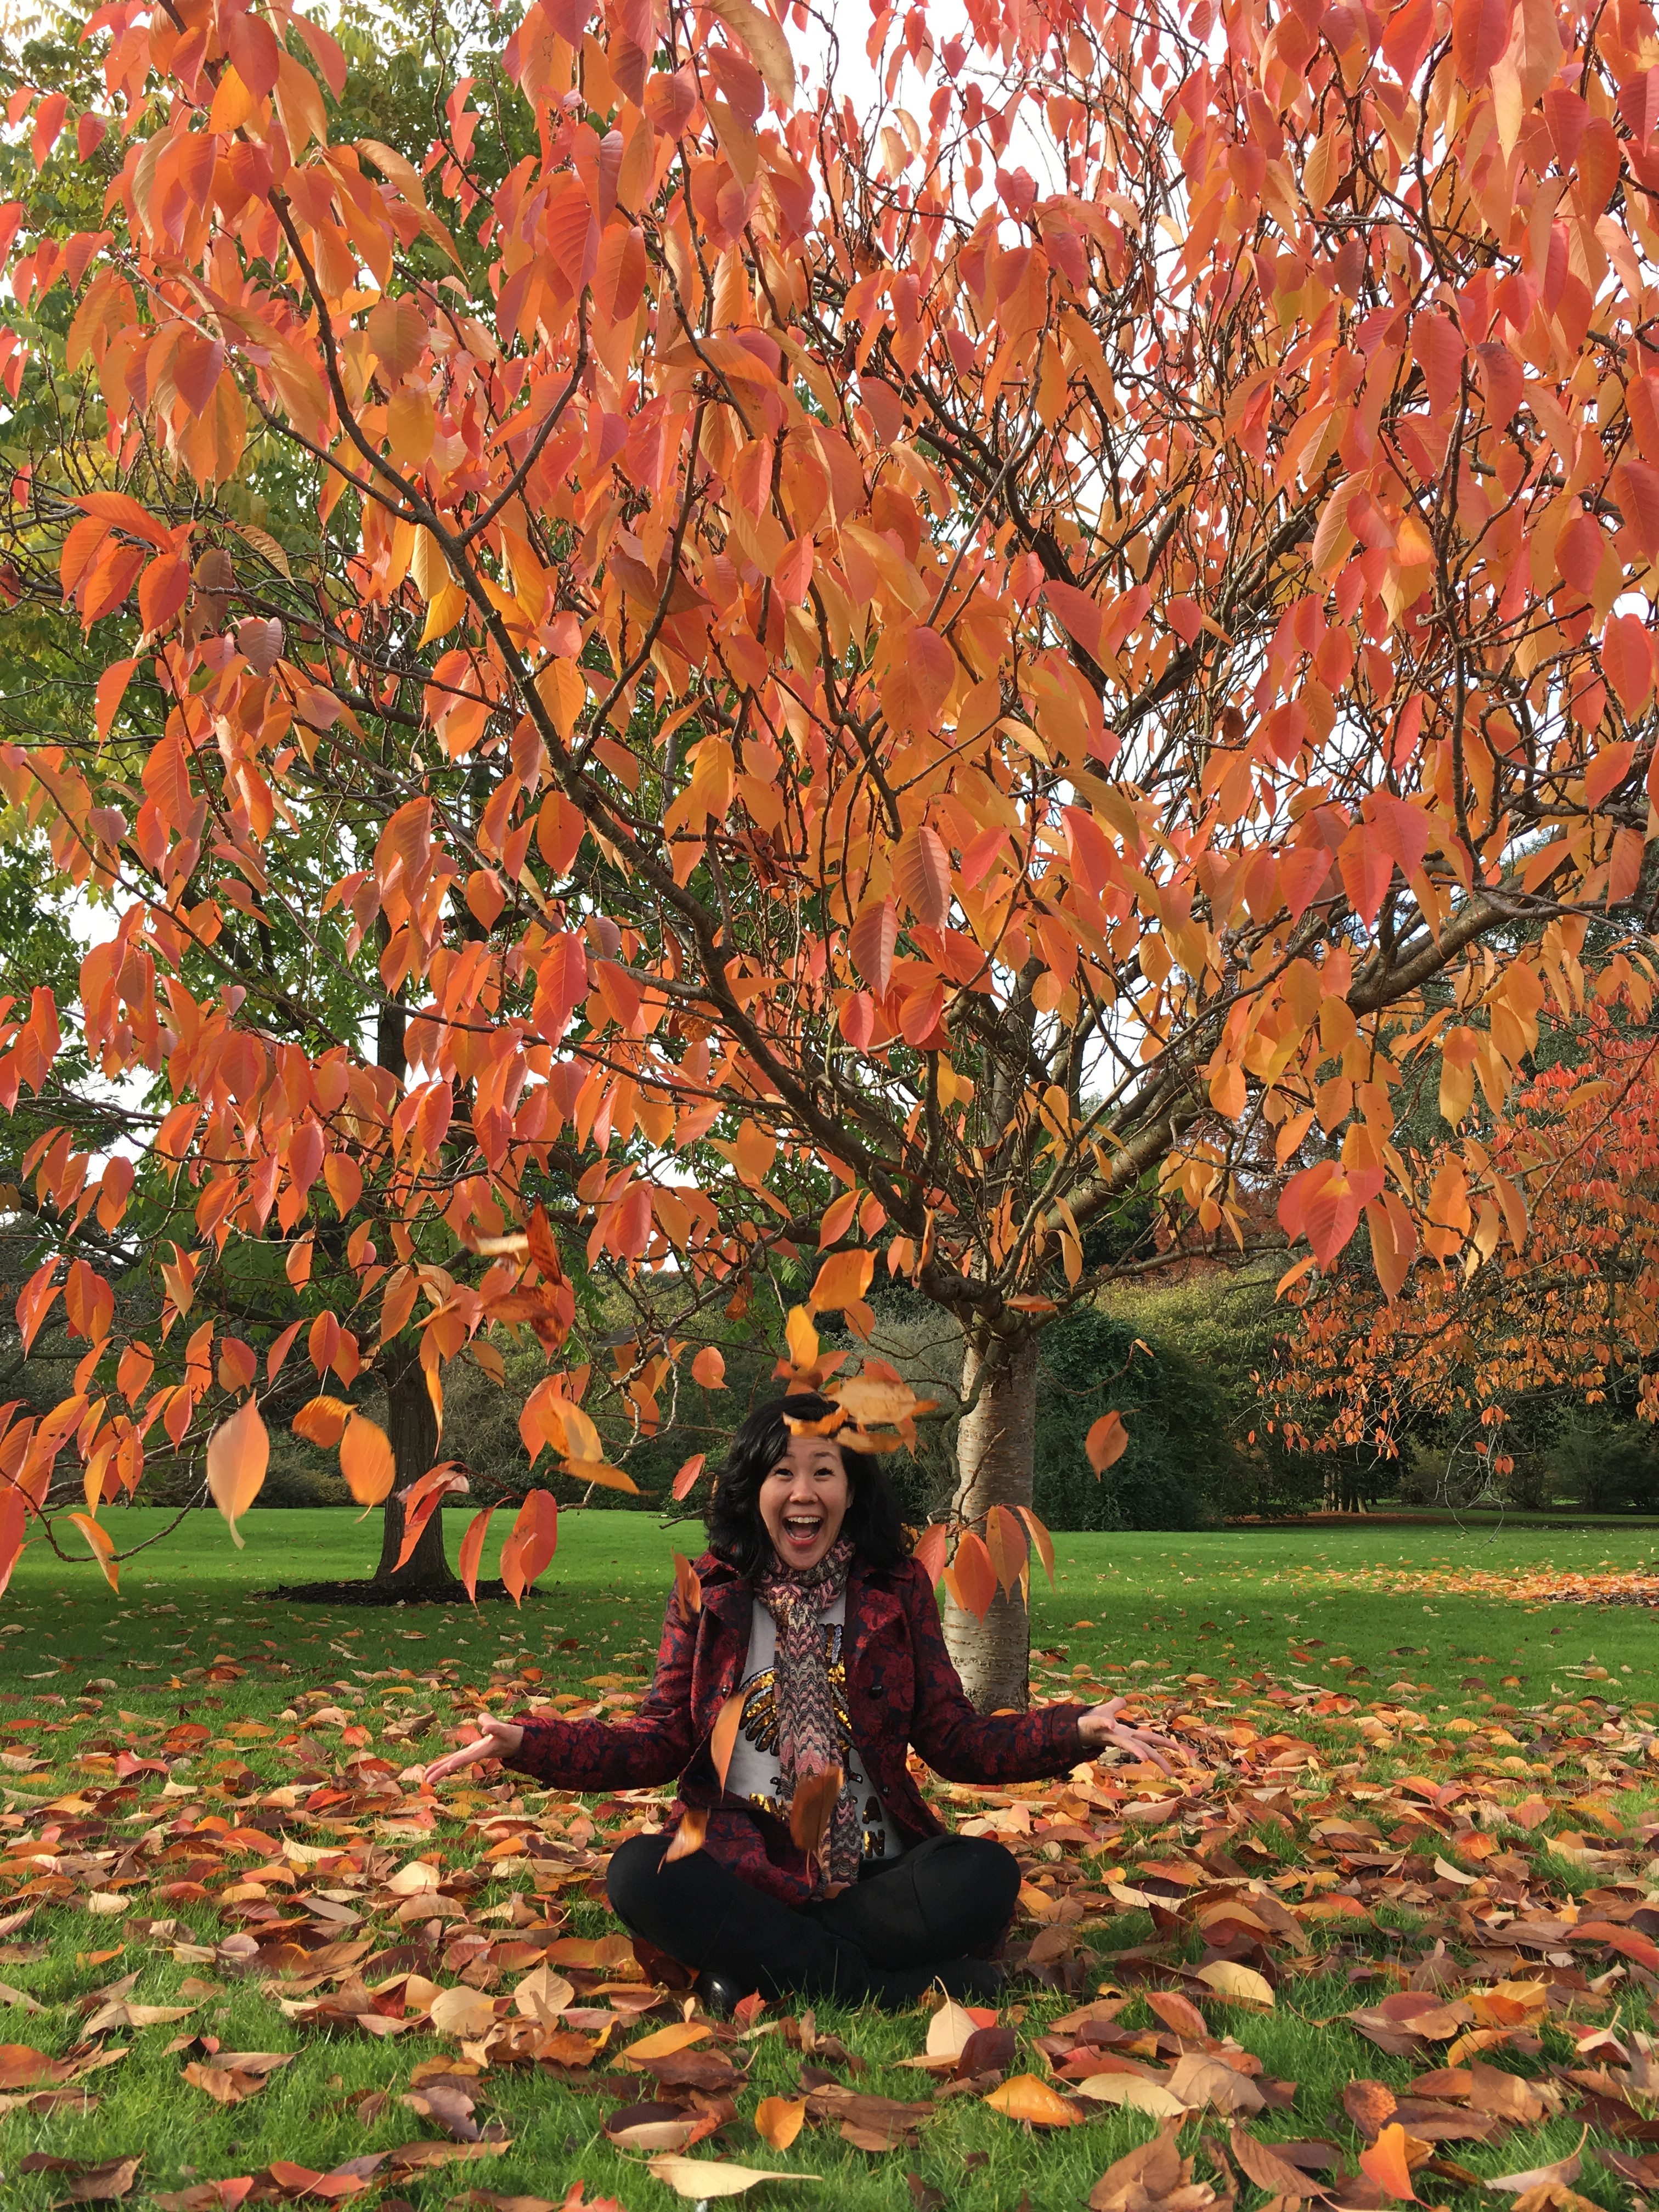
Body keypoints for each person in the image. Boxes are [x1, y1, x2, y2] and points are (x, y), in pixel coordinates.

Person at [425, 1391, 1176, 2011]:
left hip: (875, 1871)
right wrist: (530, 1744)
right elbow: (658, 1741)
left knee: (982, 1876)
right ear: (755, 1492)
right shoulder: (709, 1594)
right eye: (784, 1473)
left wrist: (1075, 1729)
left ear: (851, 1492)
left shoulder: (895, 1590)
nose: (805, 1492)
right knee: (638, 1873)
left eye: (826, 1472)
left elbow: (954, 1739)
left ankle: (761, 1973)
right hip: (742, 1867)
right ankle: (887, 1989)